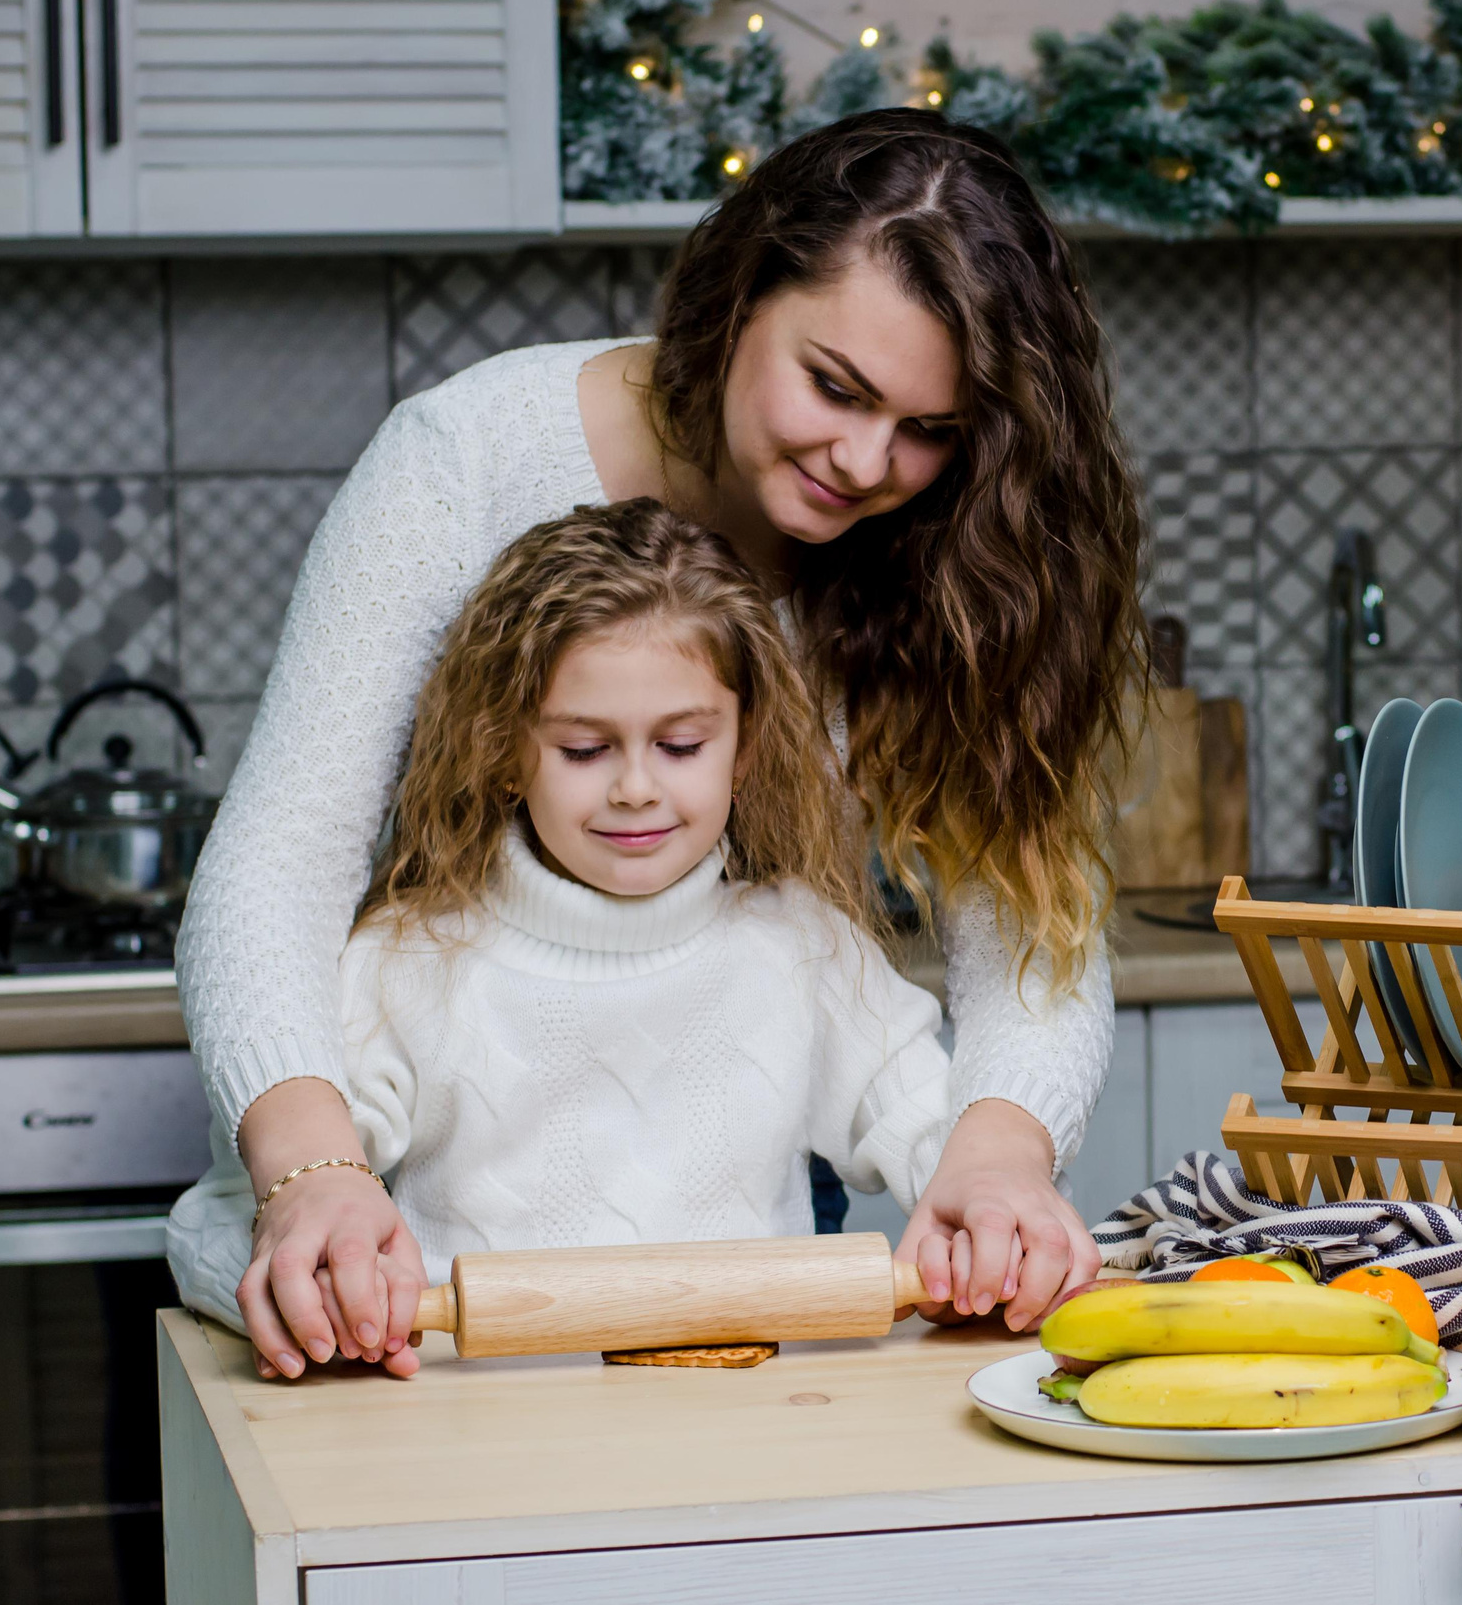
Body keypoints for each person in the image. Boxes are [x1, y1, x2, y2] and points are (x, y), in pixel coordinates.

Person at [178, 110, 1146, 1376]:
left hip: (737, 1267)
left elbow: (1031, 926)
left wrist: (996, 1157)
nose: (865, 461)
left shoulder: (954, 548)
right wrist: (314, 1171)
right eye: (835, 387)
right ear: (741, 290)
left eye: (930, 430)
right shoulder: (463, 466)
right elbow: (276, 864)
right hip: (394, 1256)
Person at [168, 501, 955, 1378]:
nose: (635, 788)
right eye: (584, 749)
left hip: (755, 1462)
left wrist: (998, 1214)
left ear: (746, 747)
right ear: (504, 749)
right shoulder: (407, 967)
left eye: (683, 744)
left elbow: (949, 1147)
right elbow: (231, 1215)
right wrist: (309, 1282)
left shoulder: (805, 950)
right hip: (482, 1466)